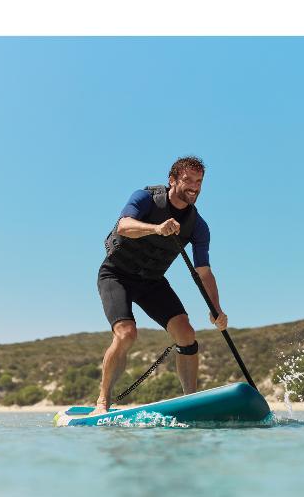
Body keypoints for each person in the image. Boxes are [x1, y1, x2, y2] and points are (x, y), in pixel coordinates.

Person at [91, 156, 228, 415]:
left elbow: (204, 272)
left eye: (199, 182)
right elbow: (124, 226)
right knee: (126, 333)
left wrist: (216, 309)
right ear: (173, 180)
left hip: (151, 281)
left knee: (187, 334)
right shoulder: (146, 198)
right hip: (116, 275)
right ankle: (102, 401)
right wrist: (156, 228)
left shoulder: (198, 226)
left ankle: (191, 403)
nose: (194, 187)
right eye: (188, 180)